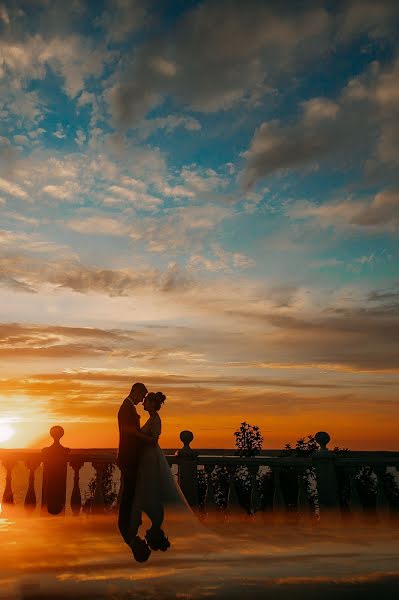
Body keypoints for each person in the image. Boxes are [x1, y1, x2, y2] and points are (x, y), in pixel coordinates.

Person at [126, 391, 192, 550]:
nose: (143, 404)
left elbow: (154, 440)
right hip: (147, 456)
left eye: (146, 402)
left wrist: (136, 435)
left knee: (148, 483)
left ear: (151, 404)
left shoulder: (156, 420)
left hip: (150, 456)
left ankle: (141, 512)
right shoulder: (151, 419)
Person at [117, 382, 155, 544]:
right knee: (128, 491)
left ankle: (128, 523)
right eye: (141, 396)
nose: (141, 401)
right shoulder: (126, 408)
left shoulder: (129, 407)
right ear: (135, 392)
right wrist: (147, 439)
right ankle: (126, 526)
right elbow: (129, 431)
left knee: (131, 490)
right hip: (128, 456)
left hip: (130, 455)